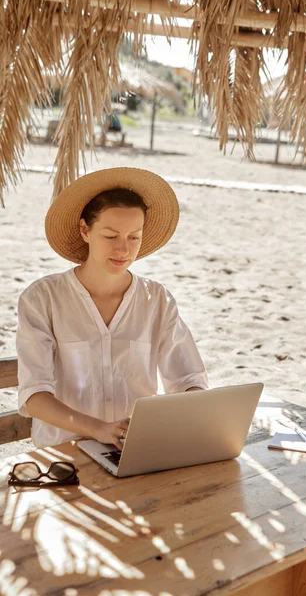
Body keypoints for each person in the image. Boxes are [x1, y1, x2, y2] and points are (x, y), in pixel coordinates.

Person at [16, 167, 208, 450]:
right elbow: (34, 395)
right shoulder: (42, 298)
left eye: (134, 237)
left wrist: (195, 404)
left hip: (135, 450)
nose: (123, 249)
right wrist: (98, 429)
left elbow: (188, 379)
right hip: (64, 455)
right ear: (85, 230)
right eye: (110, 236)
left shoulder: (157, 300)